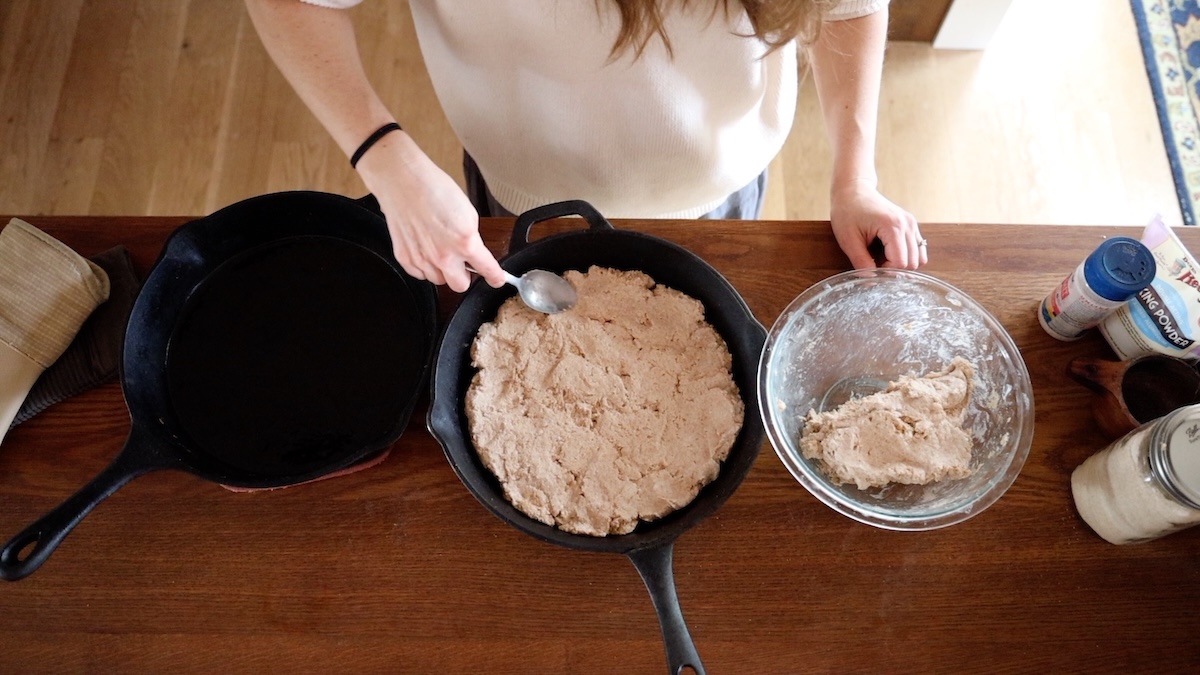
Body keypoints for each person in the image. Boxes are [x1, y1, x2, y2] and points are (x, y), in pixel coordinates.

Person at [244, 0, 926, 292]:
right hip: (518, 185)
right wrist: (385, 156)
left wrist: (854, 180)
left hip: (723, 189)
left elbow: (845, 5)